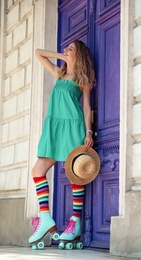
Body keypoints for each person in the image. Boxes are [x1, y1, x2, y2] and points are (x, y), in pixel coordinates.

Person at [28, 40, 96, 247]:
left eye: (70, 49)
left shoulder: (83, 79)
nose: (66, 50)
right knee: (37, 171)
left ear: (80, 54)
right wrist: (62, 57)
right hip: (54, 128)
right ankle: (45, 217)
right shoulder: (59, 73)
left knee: (75, 173)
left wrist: (88, 131)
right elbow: (38, 53)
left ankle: (75, 222)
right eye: (65, 48)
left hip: (73, 127)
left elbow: (86, 108)